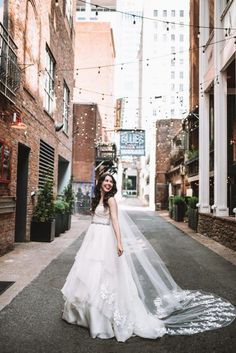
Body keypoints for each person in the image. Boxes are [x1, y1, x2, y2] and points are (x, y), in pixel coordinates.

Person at [61, 173, 236, 342]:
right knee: (90, 272)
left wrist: (119, 243)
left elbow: (115, 221)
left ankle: (101, 317)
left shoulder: (111, 200)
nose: (108, 184)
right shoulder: (98, 199)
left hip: (104, 239)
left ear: (113, 186)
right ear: (100, 183)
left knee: (104, 273)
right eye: (106, 181)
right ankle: (85, 312)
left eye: (111, 182)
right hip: (93, 238)